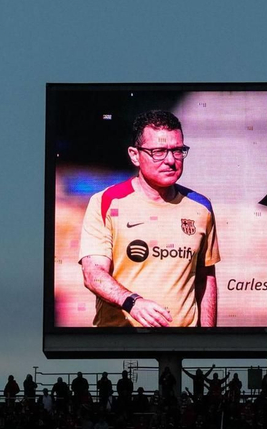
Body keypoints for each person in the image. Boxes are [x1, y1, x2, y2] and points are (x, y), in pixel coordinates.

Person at [78, 109, 220, 328]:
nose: (171, 160)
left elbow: (205, 277)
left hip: (181, 348)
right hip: (120, 346)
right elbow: (93, 274)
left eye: (178, 150)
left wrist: (207, 340)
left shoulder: (201, 207)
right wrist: (133, 303)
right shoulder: (106, 201)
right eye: (159, 151)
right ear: (135, 155)